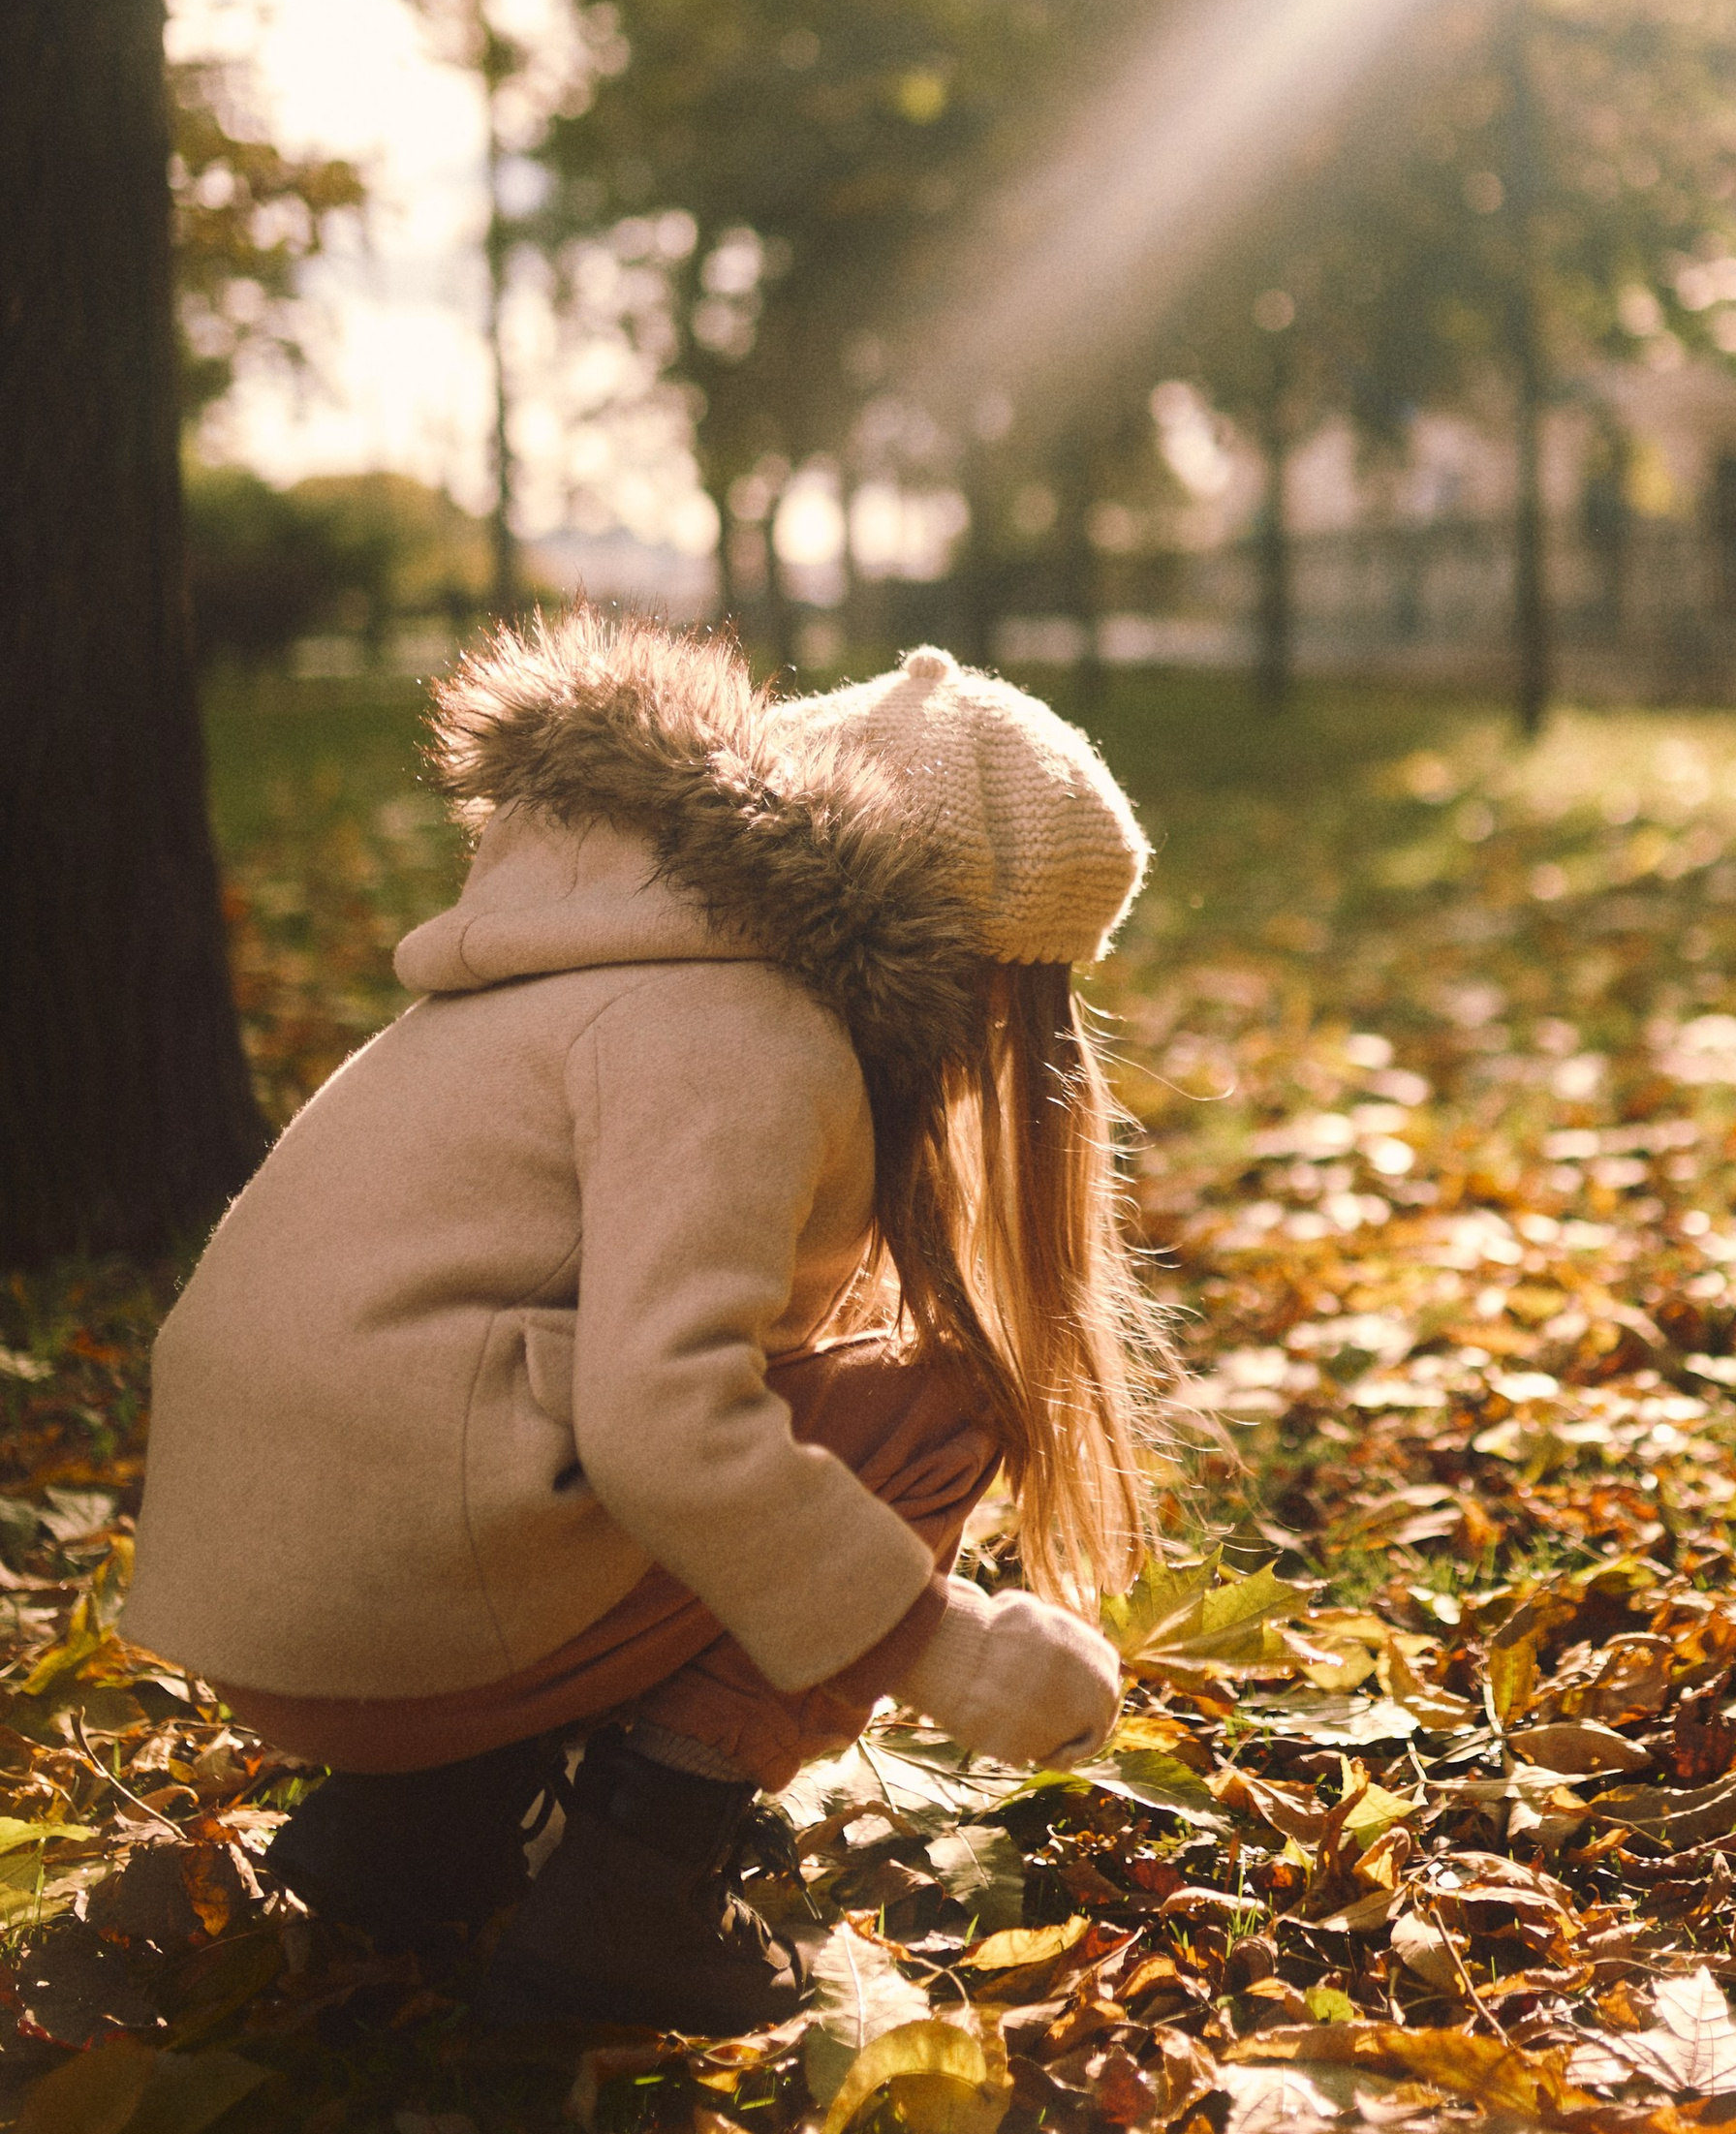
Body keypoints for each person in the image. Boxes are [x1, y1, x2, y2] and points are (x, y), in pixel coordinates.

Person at [122, 613, 1168, 2034]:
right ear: (957, 955)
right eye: (1025, 992)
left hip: (263, 1589)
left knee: (766, 1396)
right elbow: (658, 1419)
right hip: (391, 1609)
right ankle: (637, 1886)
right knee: (941, 1405)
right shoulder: (744, 1037)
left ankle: (416, 1830)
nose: (1006, 1050)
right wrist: (938, 1644)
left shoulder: (586, 960)